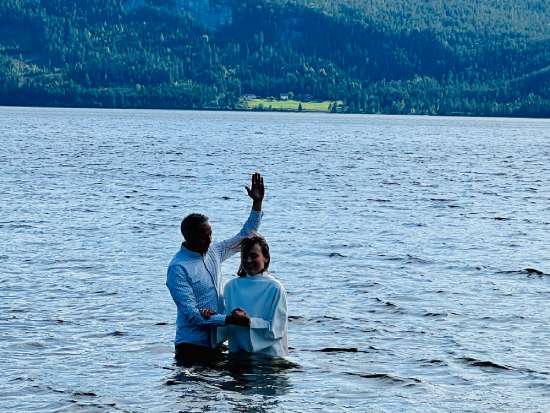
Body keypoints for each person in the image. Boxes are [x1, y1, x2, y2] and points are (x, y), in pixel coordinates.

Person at [166, 172, 264, 365]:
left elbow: (246, 235)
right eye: (204, 236)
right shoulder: (178, 268)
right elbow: (193, 315)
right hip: (192, 347)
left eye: (211, 234)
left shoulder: (214, 251)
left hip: (217, 343)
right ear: (189, 237)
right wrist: (228, 319)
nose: (210, 239)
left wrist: (257, 204)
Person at [205, 236, 288, 358]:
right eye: (244, 256)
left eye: (254, 256)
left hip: (269, 357)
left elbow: (277, 329)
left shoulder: (275, 288)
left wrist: (249, 322)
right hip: (238, 355)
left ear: (266, 258)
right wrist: (212, 317)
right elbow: (225, 327)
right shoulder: (231, 287)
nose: (248, 260)